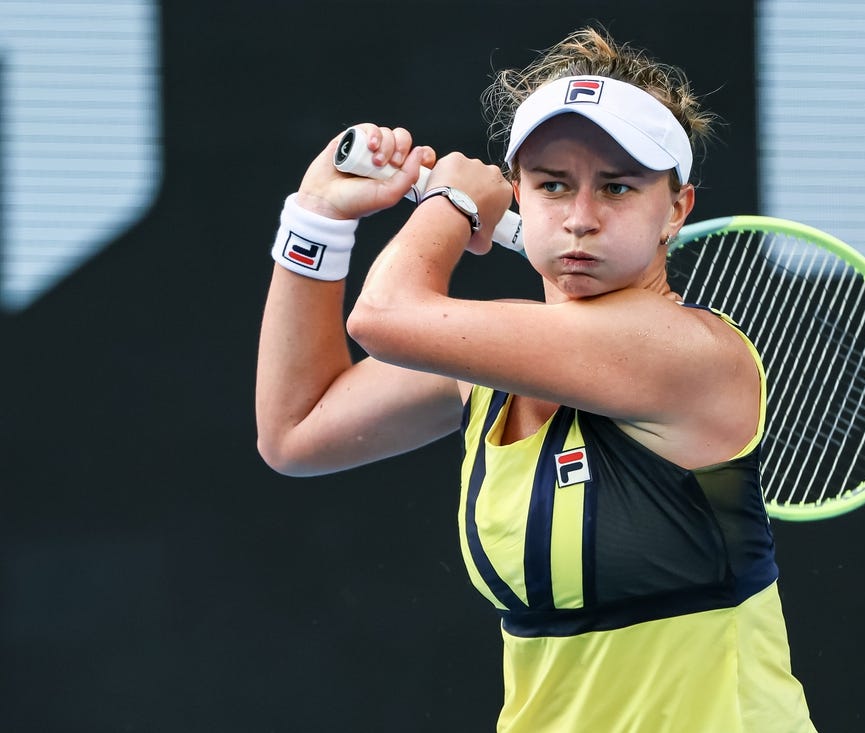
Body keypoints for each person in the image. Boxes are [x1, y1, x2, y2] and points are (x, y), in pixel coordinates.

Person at [256, 26, 817, 733]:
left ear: (675, 209)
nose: (580, 218)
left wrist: (454, 206)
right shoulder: (492, 367)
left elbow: (384, 314)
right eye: (553, 185)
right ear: (518, 192)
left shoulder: (684, 352)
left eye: (616, 187)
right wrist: (316, 220)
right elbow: (295, 431)